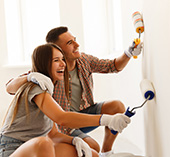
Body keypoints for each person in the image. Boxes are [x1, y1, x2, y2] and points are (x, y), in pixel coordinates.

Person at [6, 26, 142, 157]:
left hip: (71, 120)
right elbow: (61, 118)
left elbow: (112, 66)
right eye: (70, 43)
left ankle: (106, 153)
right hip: (21, 144)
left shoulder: (82, 61)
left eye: (74, 39)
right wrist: (108, 120)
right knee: (45, 144)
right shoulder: (39, 82)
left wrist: (128, 53)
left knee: (92, 153)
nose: (76, 45)